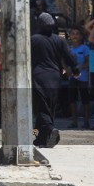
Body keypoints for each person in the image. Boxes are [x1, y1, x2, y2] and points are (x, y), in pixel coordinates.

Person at [31, 13, 76, 147]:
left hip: (38, 76)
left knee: (41, 107)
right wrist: (76, 71)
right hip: (55, 77)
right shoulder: (59, 40)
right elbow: (69, 57)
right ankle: (41, 139)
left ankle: (50, 129)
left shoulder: (33, 39)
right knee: (50, 107)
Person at [68, 25, 91, 129]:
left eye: (77, 34)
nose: (75, 36)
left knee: (85, 99)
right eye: (73, 34)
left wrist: (81, 66)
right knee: (72, 99)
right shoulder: (69, 49)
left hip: (83, 77)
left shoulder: (85, 48)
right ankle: (74, 121)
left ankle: (86, 121)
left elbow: (88, 61)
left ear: (81, 36)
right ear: (70, 36)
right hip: (72, 77)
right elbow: (64, 61)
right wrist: (66, 68)